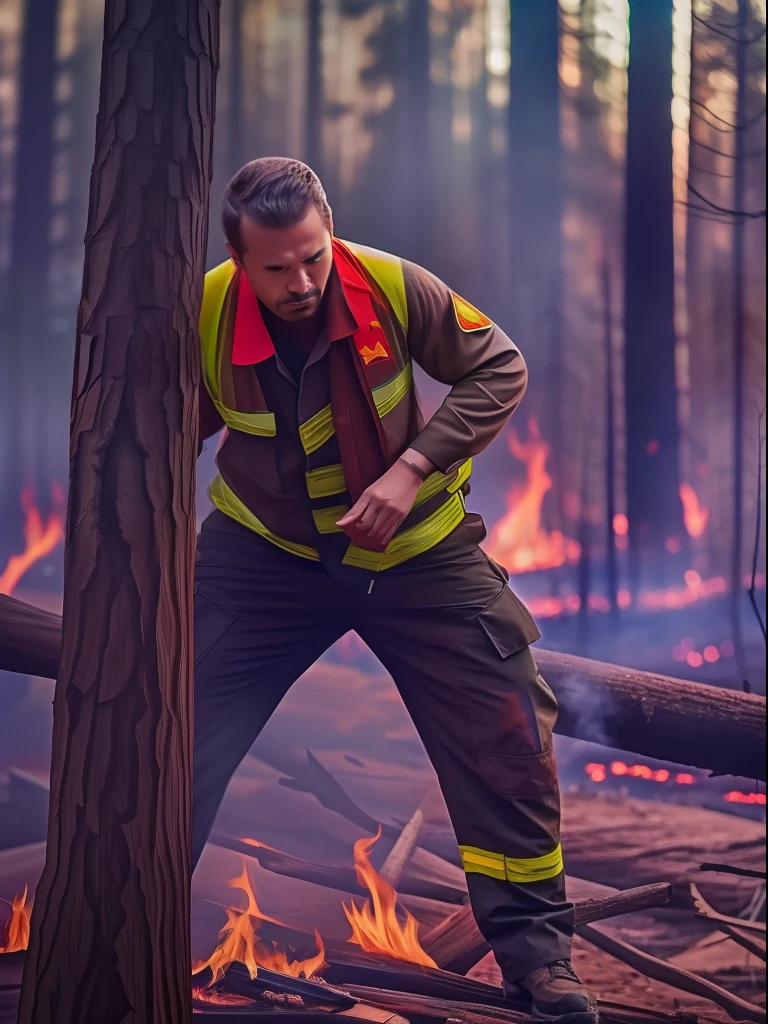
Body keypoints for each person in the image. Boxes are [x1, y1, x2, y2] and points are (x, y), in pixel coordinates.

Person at [192, 156, 597, 1019]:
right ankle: (126, 930)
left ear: (328, 228)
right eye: (277, 268)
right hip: (263, 560)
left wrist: (412, 469)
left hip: (418, 552)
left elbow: (501, 369)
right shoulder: (201, 313)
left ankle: (539, 963)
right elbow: (151, 435)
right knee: (170, 732)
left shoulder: (391, 285)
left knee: (507, 736)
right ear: (236, 258)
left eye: (313, 255)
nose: (302, 281)